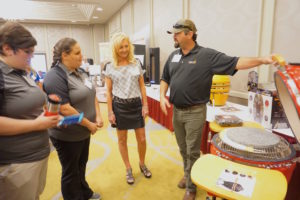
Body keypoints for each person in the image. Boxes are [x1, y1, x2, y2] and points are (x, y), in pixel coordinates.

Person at [160, 19, 277, 200]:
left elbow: (236, 62)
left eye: (176, 33)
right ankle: (188, 173)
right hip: (177, 111)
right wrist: (161, 96)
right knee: (183, 148)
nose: (173, 36)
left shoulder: (207, 56)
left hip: (195, 112)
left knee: (192, 150)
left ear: (189, 34)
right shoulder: (173, 56)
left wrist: (262, 60)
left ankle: (191, 188)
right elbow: (165, 78)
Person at [0, 22, 60, 200]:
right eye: (28, 52)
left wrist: (49, 109)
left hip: (37, 154)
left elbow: (25, 105)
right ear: (7, 49)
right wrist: (36, 124)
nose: (32, 56)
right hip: (17, 161)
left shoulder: (21, 71)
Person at [43, 38, 103, 200]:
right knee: (71, 171)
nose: (81, 56)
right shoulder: (55, 76)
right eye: (77, 53)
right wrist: (89, 124)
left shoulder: (80, 72)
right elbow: (64, 108)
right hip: (67, 135)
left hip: (82, 132)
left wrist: (97, 114)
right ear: (64, 55)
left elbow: (92, 93)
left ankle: (84, 192)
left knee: (80, 166)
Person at [105, 32, 152, 185]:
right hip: (120, 106)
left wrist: (145, 105)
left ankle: (142, 163)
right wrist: (110, 112)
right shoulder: (110, 66)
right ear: (115, 49)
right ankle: (128, 168)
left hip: (136, 105)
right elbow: (108, 92)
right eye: (121, 47)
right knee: (122, 139)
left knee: (142, 138)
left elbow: (142, 86)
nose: (124, 50)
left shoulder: (136, 63)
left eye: (126, 46)